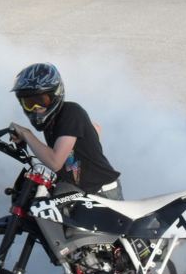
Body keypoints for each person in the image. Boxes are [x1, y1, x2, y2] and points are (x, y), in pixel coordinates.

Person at [8, 62, 123, 200]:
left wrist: (26, 134)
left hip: (102, 193)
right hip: (80, 191)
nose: (36, 108)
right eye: (29, 103)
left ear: (55, 94)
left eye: (41, 100)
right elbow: (96, 128)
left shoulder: (71, 111)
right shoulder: (52, 122)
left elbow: (55, 162)